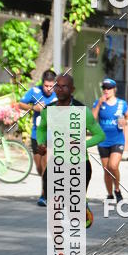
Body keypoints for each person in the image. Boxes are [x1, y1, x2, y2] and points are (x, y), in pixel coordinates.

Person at [36, 74, 105, 228]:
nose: (59, 89)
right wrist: (41, 143)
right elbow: (41, 129)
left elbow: (100, 135)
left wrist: (81, 144)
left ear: (72, 89)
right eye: (57, 86)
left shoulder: (83, 111)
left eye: (64, 86)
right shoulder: (48, 110)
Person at [17, 70, 58, 205]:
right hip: (36, 134)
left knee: (46, 163)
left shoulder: (60, 94)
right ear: (42, 83)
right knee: (39, 168)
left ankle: (44, 195)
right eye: (46, 86)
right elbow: (20, 104)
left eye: (51, 86)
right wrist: (34, 108)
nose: (49, 89)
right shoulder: (34, 91)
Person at [92, 78, 128, 203]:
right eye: (104, 88)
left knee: (113, 166)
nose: (106, 90)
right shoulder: (99, 102)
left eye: (108, 88)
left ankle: (117, 189)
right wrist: (98, 104)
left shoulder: (121, 103)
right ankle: (109, 194)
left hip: (117, 139)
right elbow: (92, 119)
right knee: (106, 169)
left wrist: (126, 121)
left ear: (114, 89)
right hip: (103, 141)